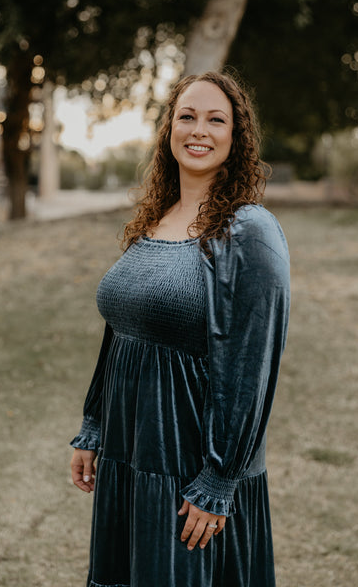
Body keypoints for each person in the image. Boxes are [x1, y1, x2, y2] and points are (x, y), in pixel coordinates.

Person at [70, 71, 290, 587]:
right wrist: (95, 423)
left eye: (217, 119)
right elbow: (122, 329)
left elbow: (253, 365)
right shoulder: (154, 217)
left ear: (236, 139)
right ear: (169, 128)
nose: (199, 130)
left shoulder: (250, 230)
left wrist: (220, 476)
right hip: (131, 448)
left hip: (190, 461)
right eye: (187, 116)